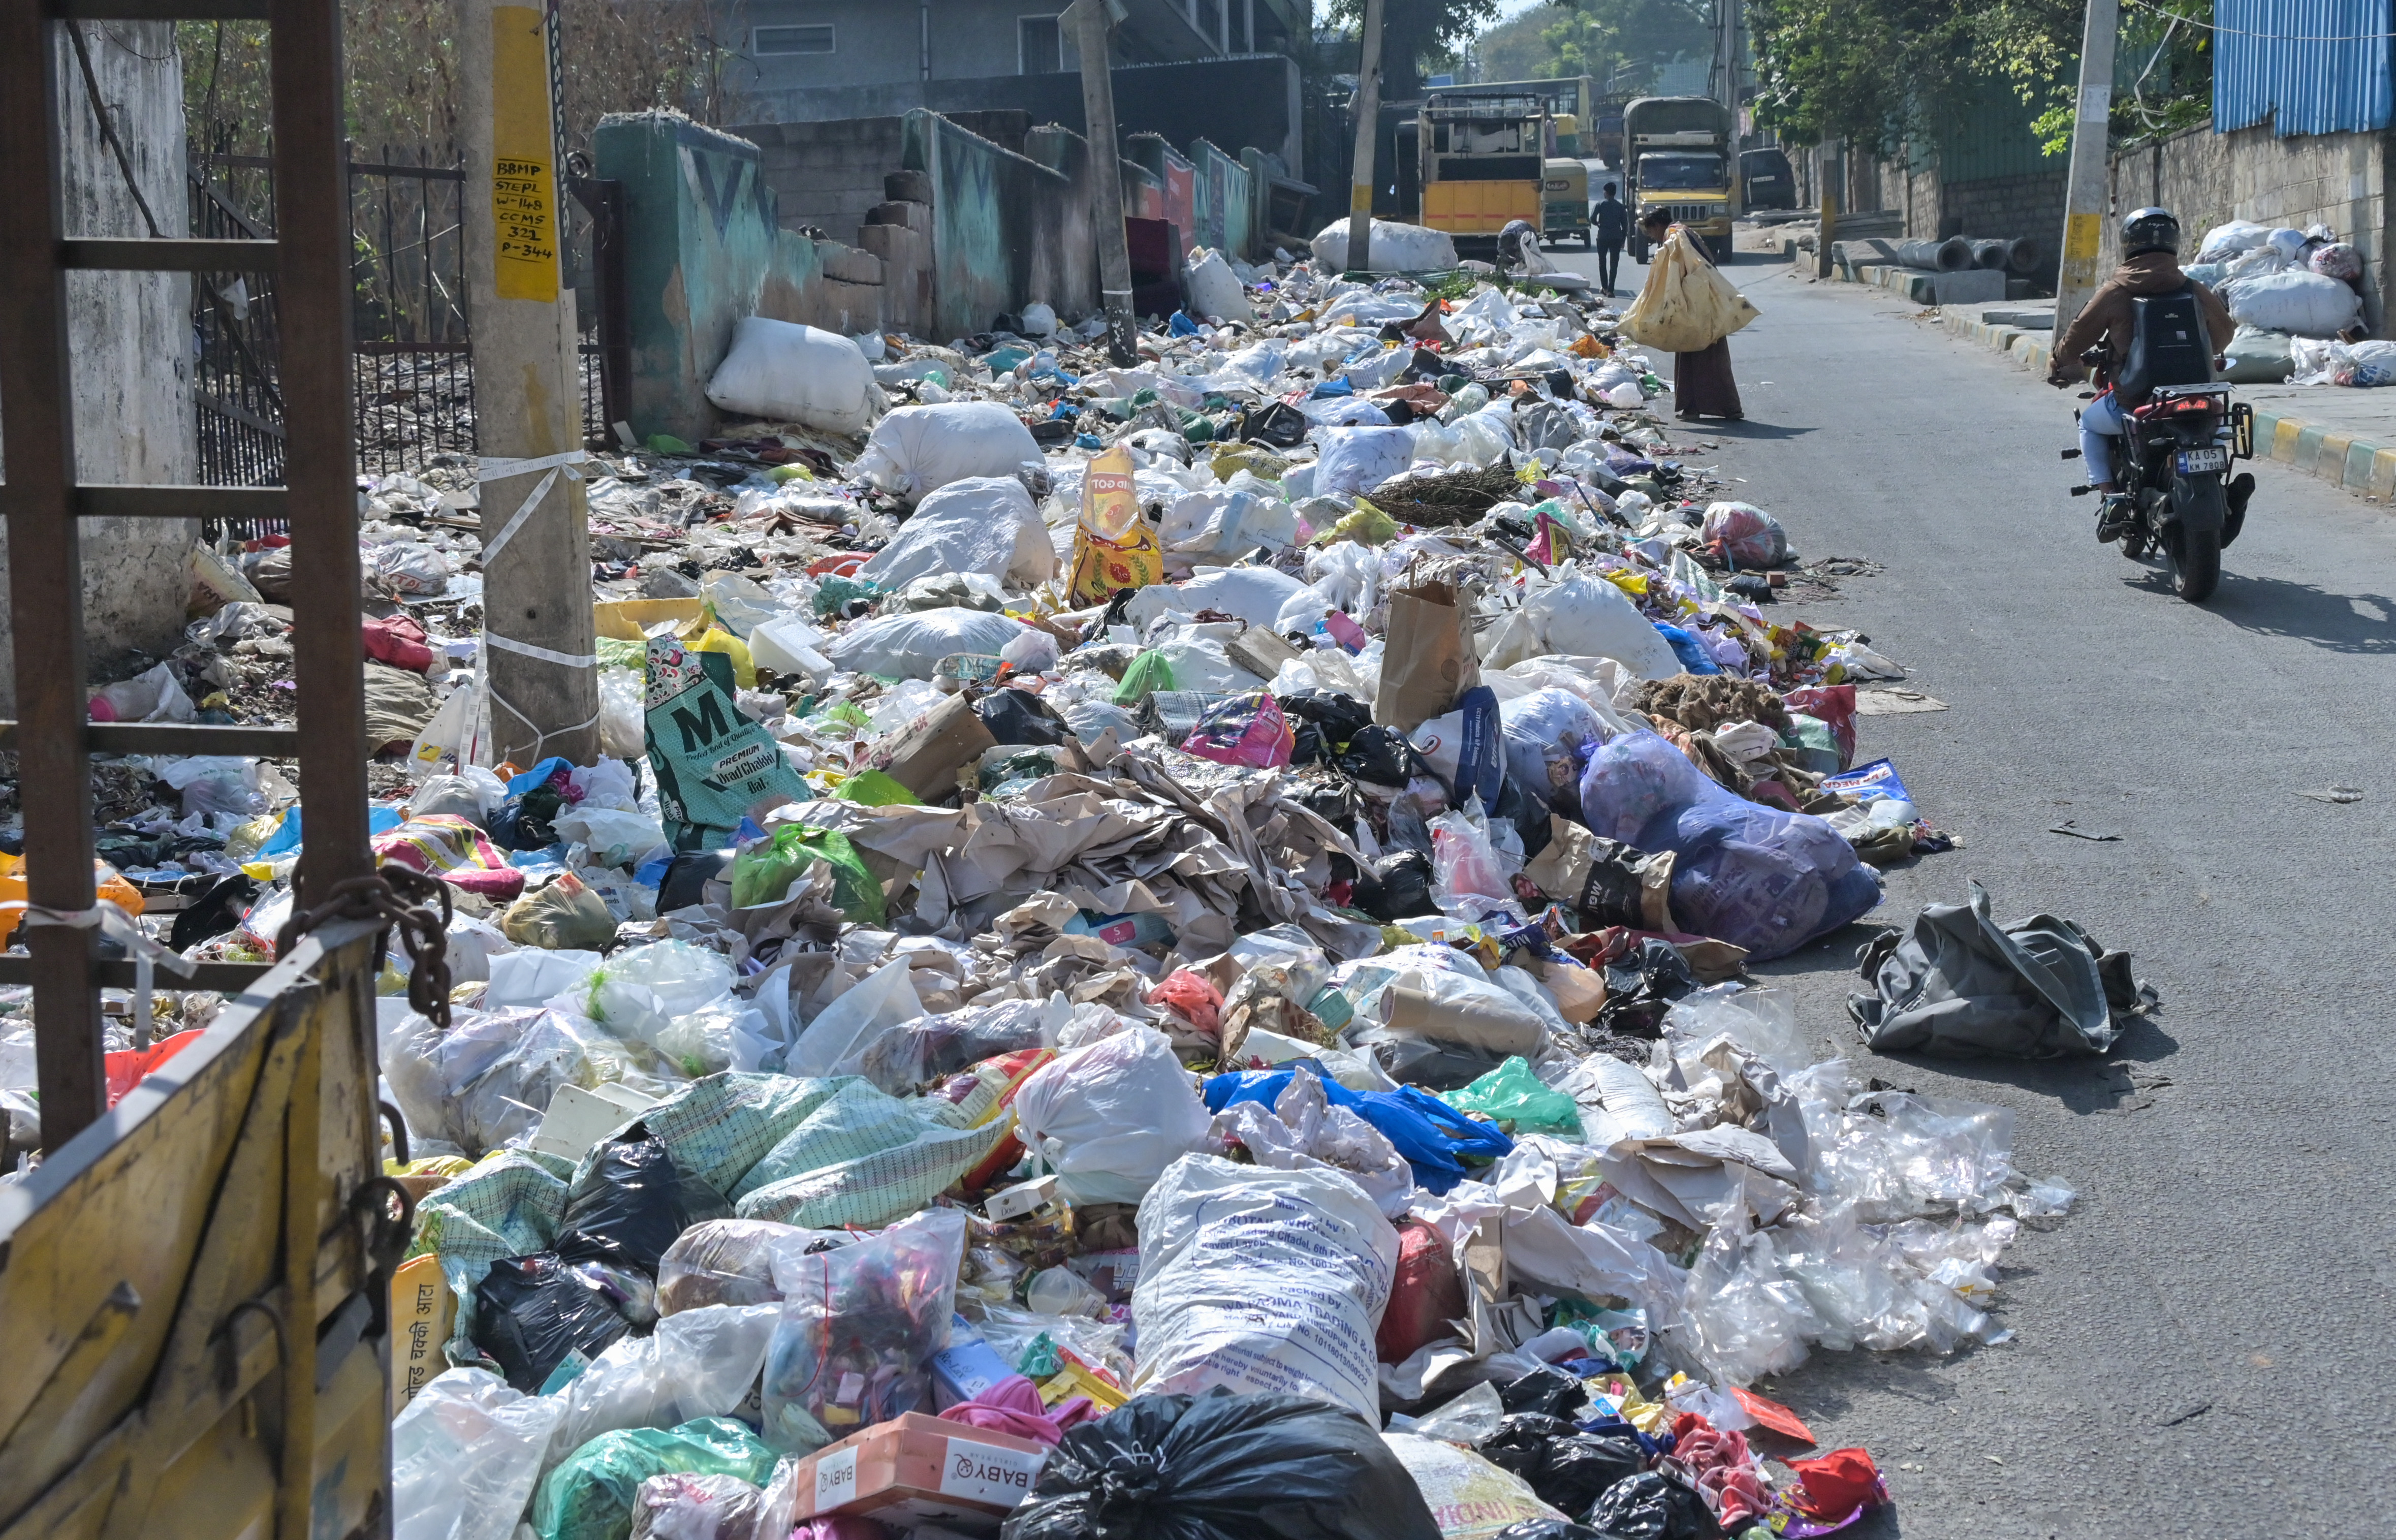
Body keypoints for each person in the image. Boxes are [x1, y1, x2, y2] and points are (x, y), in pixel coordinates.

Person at [2048, 206, 2233, 538]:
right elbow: (2223, 337)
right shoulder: (2194, 289)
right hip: (2196, 398)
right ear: (2174, 242)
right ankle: (2224, 488)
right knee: (2216, 429)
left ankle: (2110, 498)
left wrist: (2060, 360)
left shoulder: (2116, 292)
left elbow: (2078, 335)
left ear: (2128, 244)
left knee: (2089, 423)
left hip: (2137, 403)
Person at [1637, 207, 1743, 421]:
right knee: (1702, 355)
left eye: (1651, 234)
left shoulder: (1675, 237)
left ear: (1658, 226)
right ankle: (1704, 407)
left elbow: (1674, 275)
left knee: (1700, 356)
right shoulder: (1684, 232)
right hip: (1703, 300)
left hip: (1696, 304)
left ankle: (1718, 408)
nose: (1653, 239)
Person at [1592, 182, 1629, 297]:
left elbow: (1592, 218)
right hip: (1616, 238)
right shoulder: (1620, 206)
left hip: (1602, 237)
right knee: (1614, 264)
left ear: (1606, 193)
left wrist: (1597, 223)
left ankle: (1604, 287)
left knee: (1602, 262)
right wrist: (1623, 239)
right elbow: (1625, 225)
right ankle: (1611, 290)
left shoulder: (1600, 204)